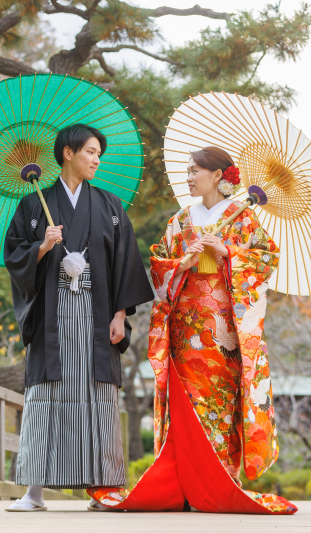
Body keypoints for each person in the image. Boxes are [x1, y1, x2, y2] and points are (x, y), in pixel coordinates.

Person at [87, 146, 297, 514]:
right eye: (186, 170)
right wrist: (179, 263)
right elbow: (159, 265)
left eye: (194, 170)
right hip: (185, 325)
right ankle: (184, 484)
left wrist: (228, 252)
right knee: (185, 402)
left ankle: (220, 480)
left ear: (218, 176)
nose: (188, 177)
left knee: (222, 402)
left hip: (224, 330)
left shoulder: (243, 219)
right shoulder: (180, 220)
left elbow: (266, 259)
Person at [3, 123, 154, 512]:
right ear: (67, 153)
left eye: (98, 154)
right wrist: (43, 246)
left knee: (99, 396)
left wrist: (120, 314)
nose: (96, 160)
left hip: (97, 312)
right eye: (90, 152)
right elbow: (15, 257)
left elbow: (125, 263)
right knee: (46, 396)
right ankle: (33, 492)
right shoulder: (34, 204)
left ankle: (104, 488)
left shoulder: (110, 205)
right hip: (52, 314)